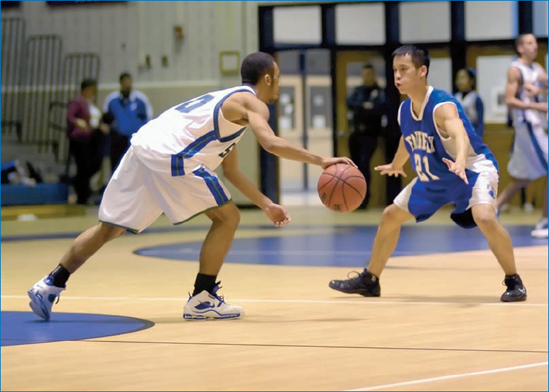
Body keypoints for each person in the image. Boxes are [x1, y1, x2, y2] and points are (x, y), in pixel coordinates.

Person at [28, 52, 354, 321]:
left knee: (110, 228)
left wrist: (266, 204)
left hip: (144, 146)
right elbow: (270, 143)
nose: (279, 84)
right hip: (172, 154)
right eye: (279, 77)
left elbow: (233, 173)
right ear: (267, 78)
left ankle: (50, 283)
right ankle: (202, 297)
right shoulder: (253, 103)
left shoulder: (228, 106)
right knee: (228, 218)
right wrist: (322, 160)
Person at [329, 45, 527, 303]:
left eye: (403, 70)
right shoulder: (404, 110)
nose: (397, 76)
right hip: (435, 177)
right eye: (394, 71)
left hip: (470, 170)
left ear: (422, 71)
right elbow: (408, 140)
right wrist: (396, 163)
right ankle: (371, 280)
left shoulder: (442, 106)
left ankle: (514, 281)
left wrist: (458, 161)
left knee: (484, 217)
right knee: (390, 216)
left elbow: (460, 133)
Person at [496, 34, 548, 239]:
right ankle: (545, 220)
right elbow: (509, 100)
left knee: (523, 177)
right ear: (520, 48)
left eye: (535, 42)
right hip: (527, 125)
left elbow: (543, 90)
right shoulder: (515, 70)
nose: (534, 46)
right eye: (529, 43)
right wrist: (534, 104)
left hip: (538, 125)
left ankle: (494, 208)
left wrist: (541, 88)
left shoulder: (538, 70)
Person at [346, 64, 389, 208]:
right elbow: (350, 103)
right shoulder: (359, 91)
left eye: (368, 75)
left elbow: (380, 108)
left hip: (371, 134)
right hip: (356, 133)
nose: (366, 78)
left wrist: (365, 109)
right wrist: (364, 106)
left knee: (364, 165)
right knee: (354, 167)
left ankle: (365, 199)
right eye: (364, 75)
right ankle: (354, 197)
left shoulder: (379, 92)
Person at [67, 78, 110, 205]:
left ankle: (80, 186)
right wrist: (77, 122)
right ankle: (82, 195)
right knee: (83, 167)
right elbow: (70, 116)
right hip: (79, 139)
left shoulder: (91, 103)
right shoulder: (77, 101)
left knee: (94, 164)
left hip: (90, 138)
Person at [103, 72, 153, 172]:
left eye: (128, 82)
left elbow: (148, 118)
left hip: (135, 140)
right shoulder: (112, 100)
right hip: (118, 140)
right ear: (120, 83)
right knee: (117, 168)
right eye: (125, 82)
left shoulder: (140, 99)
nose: (127, 84)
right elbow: (105, 119)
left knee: (136, 169)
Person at [454, 68, 484, 138]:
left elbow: (480, 122)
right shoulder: (454, 97)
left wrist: (478, 137)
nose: (460, 81)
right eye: (458, 78)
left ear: (471, 81)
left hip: (472, 132)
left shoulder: (475, 98)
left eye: (463, 78)